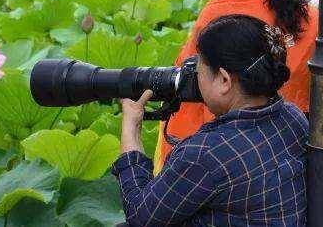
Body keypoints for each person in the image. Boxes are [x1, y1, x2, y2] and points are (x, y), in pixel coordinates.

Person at [113, 15, 309, 226]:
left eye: (198, 69)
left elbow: (141, 217)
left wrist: (131, 128)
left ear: (224, 80)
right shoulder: (292, 117)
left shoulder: (205, 154)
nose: (192, 74)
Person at [154, 0, 318, 171]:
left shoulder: (216, 12)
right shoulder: (310, 17)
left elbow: (188, 78)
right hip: (293, 145)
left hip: (227, 151)